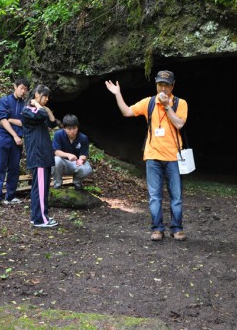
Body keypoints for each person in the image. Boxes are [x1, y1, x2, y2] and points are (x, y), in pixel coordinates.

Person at [105, 70, 188, 241]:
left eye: (166, 84)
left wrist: (166, 106)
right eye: (160, 84)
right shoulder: (149, 102)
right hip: (152, 157)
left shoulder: (181, 103)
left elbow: (179, 124)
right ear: (156, 85)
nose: (163, 88)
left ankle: (177, 228)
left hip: (173, 157)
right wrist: (118, 94)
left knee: (176, 196)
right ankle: (157, 229)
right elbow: (127, 112)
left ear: (172, 86)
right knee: (154, 196)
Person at [21, 84, 59, 228]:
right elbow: (41, 115)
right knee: (41, 188)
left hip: (43, 154)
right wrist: (38, 105)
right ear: (37, 94)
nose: (47, 99)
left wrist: (46, 108)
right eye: (45, 96)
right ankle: (41, 219)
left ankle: (36, 216)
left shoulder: (39, 110)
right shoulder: (27, 110)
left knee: (40, 187)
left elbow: (52, 123)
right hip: (38, 155)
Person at [0, 77, 30, 205]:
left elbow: (25, 122)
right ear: (15, 87)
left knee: (14, 167)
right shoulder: (5, 101)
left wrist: (11, 120)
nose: (23, 91)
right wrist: (14, 134)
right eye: (21, 88)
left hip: (17, 139)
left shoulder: (25, 105)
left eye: (25, 89)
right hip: (3, 137)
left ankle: (10, 196)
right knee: (0, 166)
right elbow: (2, 120)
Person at [52, 114, 93, 190]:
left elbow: (84, 154)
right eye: (69, 129)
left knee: (87, 169)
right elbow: (56, 152)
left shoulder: (83, 138)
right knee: (56, 160)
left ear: (78, 127)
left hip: (76, 164)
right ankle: (57, 184)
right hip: (63, 163)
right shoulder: (58, 135)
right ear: (64, 128)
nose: (72, 131)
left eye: (74, 128)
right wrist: (68, 155)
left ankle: (77, 183)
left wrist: (81, 160)